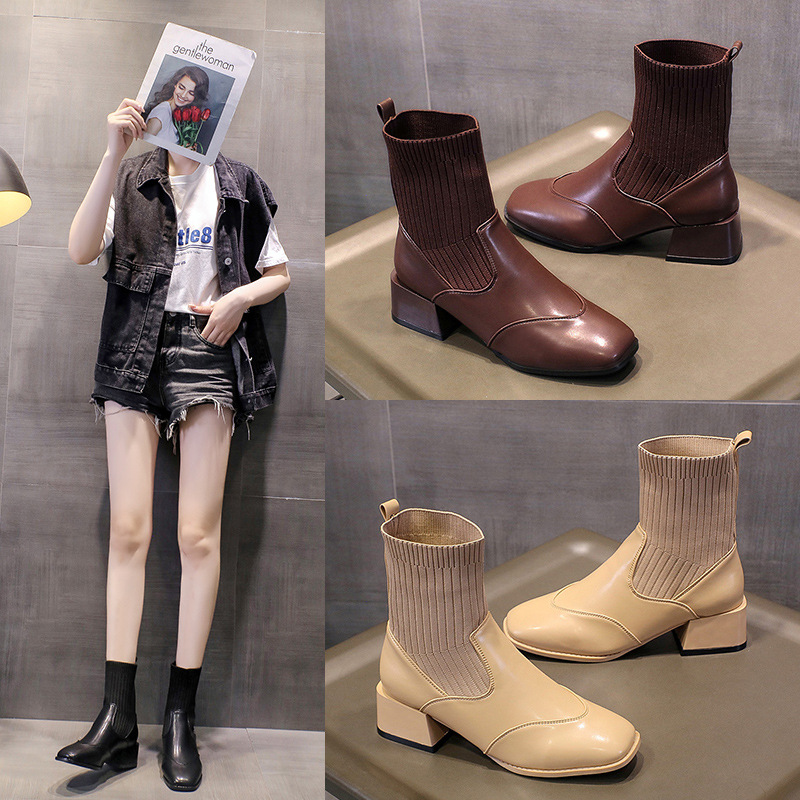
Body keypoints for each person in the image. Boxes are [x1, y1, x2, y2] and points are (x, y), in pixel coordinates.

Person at [54, 98, 290, 792]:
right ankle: (117, 720)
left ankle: (179, 718)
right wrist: (111, 152)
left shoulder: (239, 182)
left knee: (197, 537)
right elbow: (79, 250)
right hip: (132, 352)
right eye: (176, 97)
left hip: (207, 350)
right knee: (128, 532)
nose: (188, 113)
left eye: (201, 100)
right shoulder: (131, 176)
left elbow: (280, 272)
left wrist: (238, 300)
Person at [145, 66, 210, 145]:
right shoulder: (162, 112)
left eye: (191, 93)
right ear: (175, 85)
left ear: (196, 97)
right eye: (181, 87)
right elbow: (144, 145)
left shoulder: (175, 115)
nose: (183, 95)